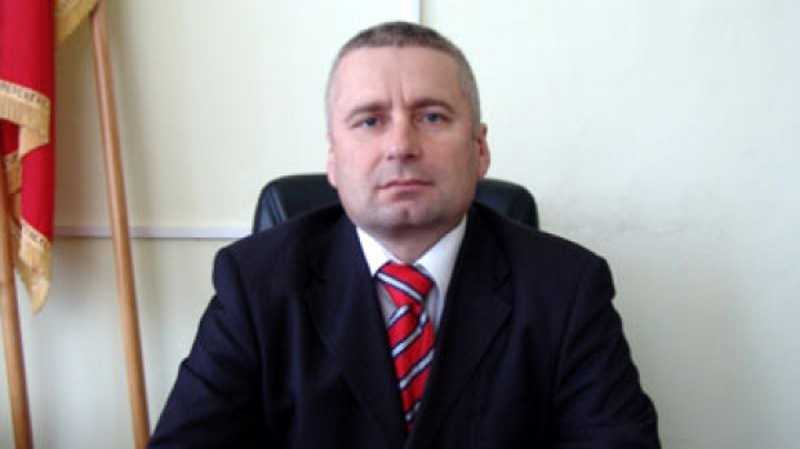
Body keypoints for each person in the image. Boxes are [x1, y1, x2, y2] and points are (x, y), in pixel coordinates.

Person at [149, 21, 660, 448]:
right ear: (333, 158)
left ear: (480, 148)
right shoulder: (256, 283)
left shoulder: (567, 287)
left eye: (432, 117)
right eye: (369, 121)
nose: (400, 145)